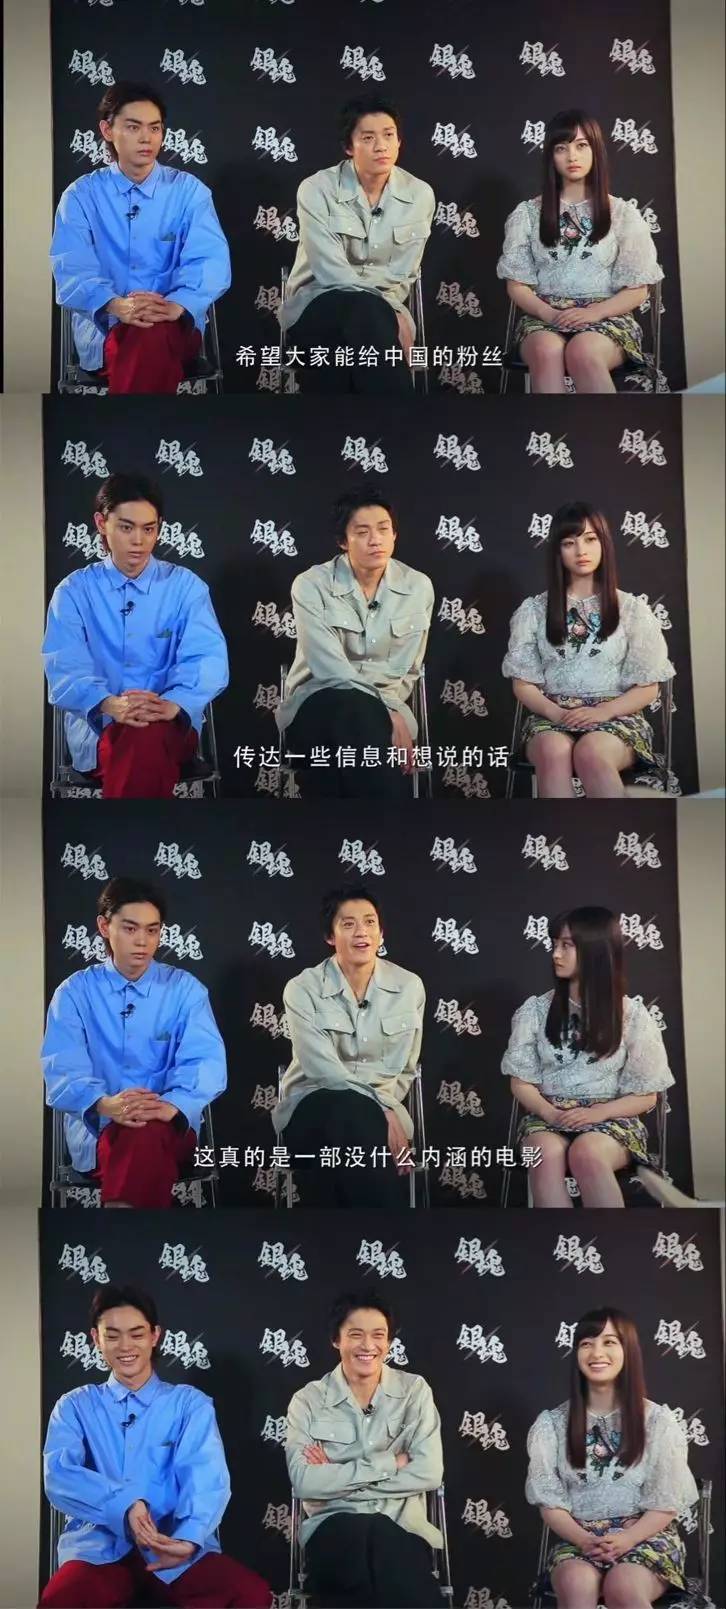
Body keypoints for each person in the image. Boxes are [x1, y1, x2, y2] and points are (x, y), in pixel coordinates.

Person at [40, 1285, 271, 1607]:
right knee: (61, 1600)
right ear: (96, 1339)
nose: (125, 1346)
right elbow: (60, 1476)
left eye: (136, 1334)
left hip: (175, 1549)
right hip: (98, 1551)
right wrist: (126, 1506)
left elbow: (206, 1478)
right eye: (112, 1336)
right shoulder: (75, 1406)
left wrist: (188, 1538)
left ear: (155, 1336)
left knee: (249, 1594)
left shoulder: (189, 1404)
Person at [41, 877, 226, 1208]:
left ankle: (120, 1224)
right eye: (130, 928)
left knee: (147, 1132)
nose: (142, 941)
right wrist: (105, 1104)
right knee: (134, 1139)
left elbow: (206, 1062)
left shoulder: (185, 990)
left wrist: (172, 1105)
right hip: (99, 1131)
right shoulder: (74, 993)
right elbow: (62, 1069)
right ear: (104, 926)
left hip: (170, 1127)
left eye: (152, 930)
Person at [43, 472, 229, 799]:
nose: (139, 541)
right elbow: (65, 670)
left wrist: (173, 704)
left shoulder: (186, 587)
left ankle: (125, 830)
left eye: (149, 529)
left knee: (147, 737)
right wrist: (110, 704)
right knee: (135, 743)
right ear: (102, 523)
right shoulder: (73, 592)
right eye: (126, 528)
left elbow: (208, 660)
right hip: (99, 730)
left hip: (172, 726)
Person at [50, 82, 231, 394]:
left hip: (175, 326)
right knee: (142, 341)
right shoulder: (80, 196)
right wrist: (117, 305)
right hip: (105, 330)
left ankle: (130, 424)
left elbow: (210, 262)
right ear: (107, 130)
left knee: (152, 334)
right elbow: (72, 271)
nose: (147, 138)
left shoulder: (189, 192)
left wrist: (176, 305)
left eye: (155, 128)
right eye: (133, 127)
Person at [501, 907, 674, 1208]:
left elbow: (647, 1096)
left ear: (596, 951)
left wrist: (599, 1113)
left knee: (587, 1153)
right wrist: (550, 1113)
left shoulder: (632, 1015)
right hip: (548, 1117)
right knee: (545, 1154)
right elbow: (521, 1082)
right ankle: (559, 1236)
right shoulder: (535, 1011)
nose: (555, 954)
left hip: (612, 1119)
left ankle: (607, 1236)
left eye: (566, 945)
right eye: (554, 944)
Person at [526, 1307, 698, 1607]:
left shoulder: (658, 1421)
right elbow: (550, 1503)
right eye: (586, 1343)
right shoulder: (551, 1424)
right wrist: (584, 1540)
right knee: (576, 1583)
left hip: (645, 1538)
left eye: (609, 1342)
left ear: (627, 1350)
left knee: (624, 1585)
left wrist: (627, 1539)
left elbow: (666, 1503)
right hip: (581, 1540)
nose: (597, 1353)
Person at [502, 501, 674, 797]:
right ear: (557, 551)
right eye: (569, 543)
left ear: (604, 544)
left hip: (617, 718)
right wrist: (557, 714)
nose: (581, 550)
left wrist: (604, 711)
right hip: (552, 717)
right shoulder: (534, 611)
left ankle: (611, 827)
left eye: (590, 539)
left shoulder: (632, 610)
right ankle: (562, 827)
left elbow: (648, 689)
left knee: (591, 752)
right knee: (553, 751)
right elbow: (523, 684)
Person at [285, 1288, 444, 1609]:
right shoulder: (308, 1401)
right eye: (356, 1335)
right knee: (366, 1557)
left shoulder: (414, 1391)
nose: (368, 1346)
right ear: (336, 1340)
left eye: (378, 1335)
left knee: (383, 1544)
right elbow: (304, 1483)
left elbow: (429, 1472)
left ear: (389, 1341)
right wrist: (390, 1463)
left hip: (402, 1528)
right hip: (333, 1529)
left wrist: (336, 1481)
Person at [277, 486, 434, 798]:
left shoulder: (418, 587)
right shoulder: (311, 585)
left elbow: (412, 668)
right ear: (342, 541)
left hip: (389, 711)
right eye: (362, 532)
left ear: (394, 535)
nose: (375, 540)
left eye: (383, 529)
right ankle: (391, 825)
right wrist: (384, 711)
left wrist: (387, 708)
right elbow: (330, 669)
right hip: (318, 704)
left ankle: (338, 827)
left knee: (348, 752)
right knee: (353, 715)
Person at [273, 885, 425, 1207]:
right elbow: (323, 1071)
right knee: (348, 1115)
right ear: (330, 936)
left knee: (354, 1135)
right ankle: (387, 1233)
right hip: (313, 1108)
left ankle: (333, 1235)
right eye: (349, 924)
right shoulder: (302, 989)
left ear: (381, 933)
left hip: (382, 1115)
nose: (362, 932)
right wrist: (381, 1108)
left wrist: (383, 1108)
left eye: (370, 922)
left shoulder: (409, 987)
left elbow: (407, 1067)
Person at [497, 109, 663, 393]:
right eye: (561, 148)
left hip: (607, 318)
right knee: (546, 351)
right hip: (544, 316)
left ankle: (601, 424)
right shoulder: (527, 214)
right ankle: (552, 423)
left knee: (583, 352)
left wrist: (595, 313)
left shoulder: (622, 214)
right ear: (551, 156)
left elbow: (637, 291)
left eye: (581, 145)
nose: (572, 156)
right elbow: (517, 285)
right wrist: (549, 314)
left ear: (596, 150)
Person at [279, 95, 435, 393]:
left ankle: (334, 423)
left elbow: (405, 273)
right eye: (368, 138)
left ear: (399, 141)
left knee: (347, 349)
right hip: (318, 305)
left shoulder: (420, 195)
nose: (381, 146)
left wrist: (389, 311)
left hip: (384, 315)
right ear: (349, 147)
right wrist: (390, 313)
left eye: (389, 135)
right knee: (363, 315)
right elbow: (331, 273)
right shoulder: (317, 189)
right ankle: (402, 418)